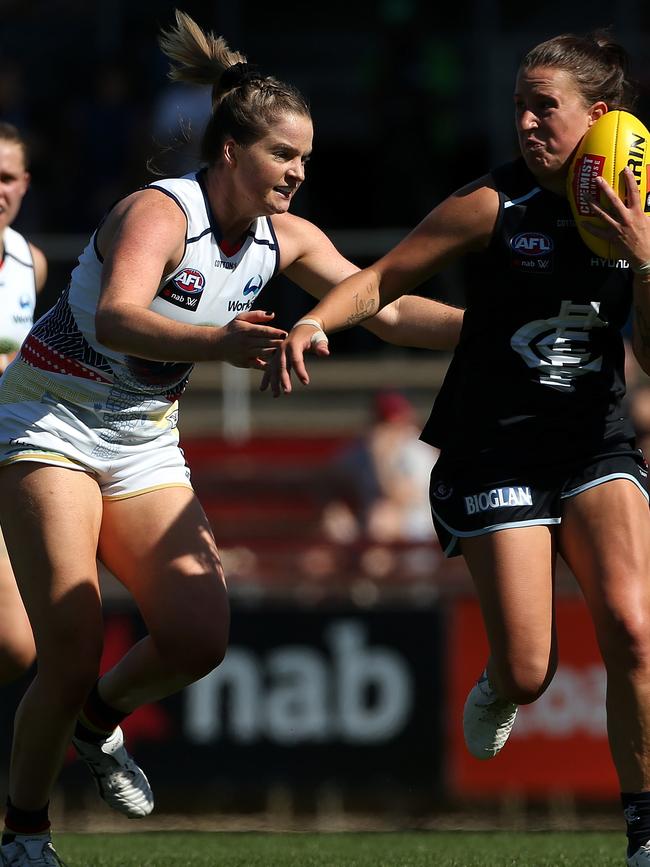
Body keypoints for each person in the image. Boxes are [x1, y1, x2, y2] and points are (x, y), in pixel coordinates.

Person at [0, 11, 463, 866]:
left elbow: (388, 308)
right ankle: (24, 833)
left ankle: (98, 722)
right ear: (230, 151)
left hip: (140, 437)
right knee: (67, 643)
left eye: (305, 160)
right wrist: (224, 343)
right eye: (284, 155)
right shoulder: (159, 209)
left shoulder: (287, 239)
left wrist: (489, 328)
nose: (297, 173)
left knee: (198, 636)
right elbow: (117, 315)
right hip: (51, 421)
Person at [268, 31, 650, 867]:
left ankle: (644, 836)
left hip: (595, 440)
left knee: (634, 628)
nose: (524, 120)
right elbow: (379, 281)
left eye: (544, 105)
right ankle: (499, 686)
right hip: (496, 451)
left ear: (602, 116)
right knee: (528, 670)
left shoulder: (643, 213)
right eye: (519, 103)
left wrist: (645, 261)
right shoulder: (492, 203)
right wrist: (312, 320)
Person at [0, 122, 46, 686]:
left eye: (8, 177)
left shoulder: (29, 261)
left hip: (7, 456)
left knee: (16, 649)